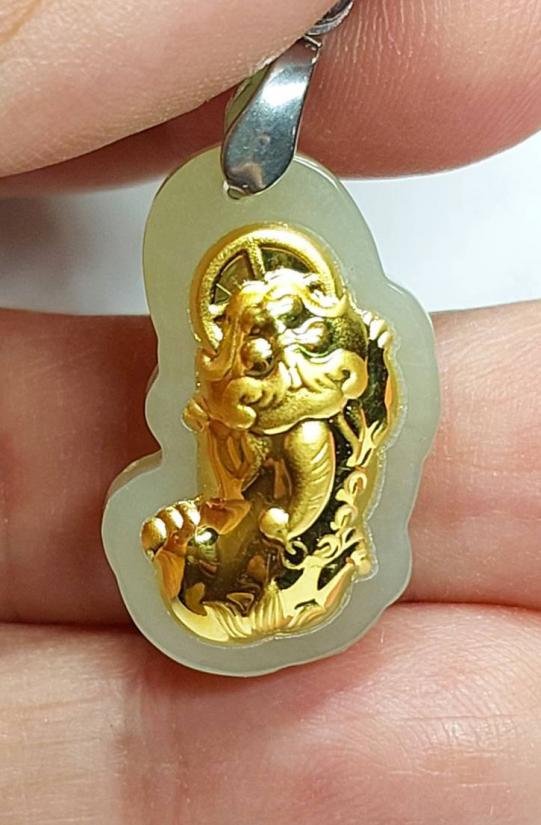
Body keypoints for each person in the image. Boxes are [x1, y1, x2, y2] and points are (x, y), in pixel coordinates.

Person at [0, 1, 540, 822]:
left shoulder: (336, 388)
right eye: (259, 338)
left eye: (298, 326)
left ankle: (278, 570)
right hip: (241, 502)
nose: (282, 343)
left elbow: (340, 427)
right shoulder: (234, 403)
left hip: (308, 508)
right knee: (211, 547)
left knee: (288, 522)